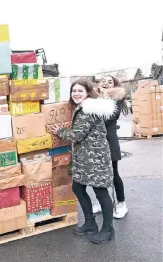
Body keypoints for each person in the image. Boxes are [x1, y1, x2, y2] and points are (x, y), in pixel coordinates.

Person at [50, 78, 116, 244]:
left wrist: (60, 131)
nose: (76, 94)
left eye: (80, 91)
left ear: (88, 92)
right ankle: (90, 223)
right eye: (74, 91)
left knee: (100, 192)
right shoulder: (81, 108)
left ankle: (108, 229)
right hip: (86, 158)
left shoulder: (88, 110)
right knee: (78, 188)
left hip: (96, 159)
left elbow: (77, 135)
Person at [92, 75, 128, 219]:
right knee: (99, 173)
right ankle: (103, 202)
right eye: (103, 81)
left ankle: (121, 203)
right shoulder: (94, 99)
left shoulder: (116, 99)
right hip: (96, 142)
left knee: (113, 173)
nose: (106, 83)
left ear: (114, 85)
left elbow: (110, 117)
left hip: (109, 140)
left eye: (110, 81)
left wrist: (104, 97)